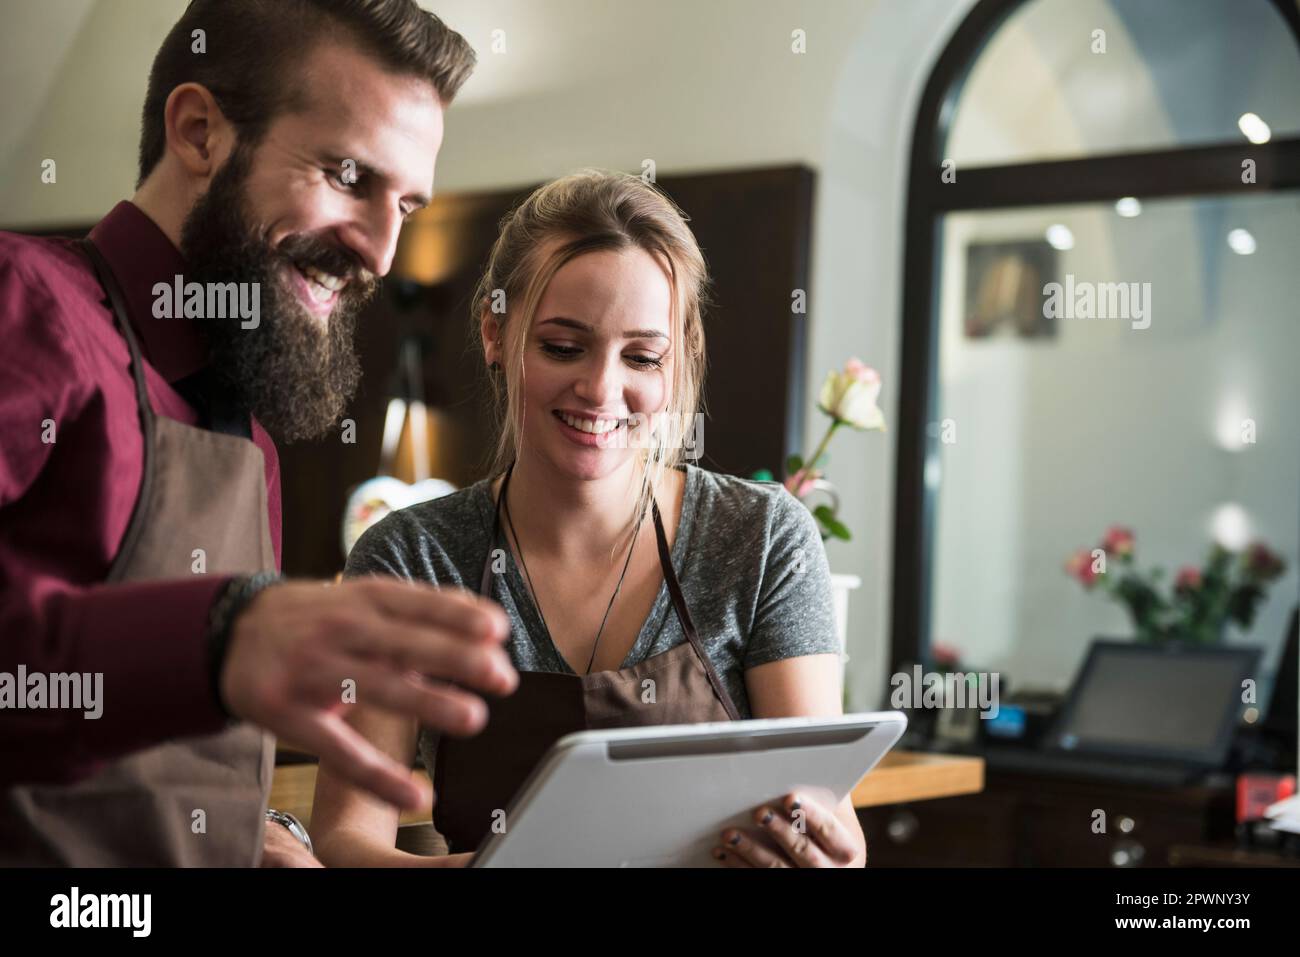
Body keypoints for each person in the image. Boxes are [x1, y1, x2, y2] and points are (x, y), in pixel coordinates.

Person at [0, 0, 518, 867]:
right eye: (350, 176)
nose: (384, 254)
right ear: (200, 131)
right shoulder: (25, 303)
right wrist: (213, 638)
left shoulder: (252, 447)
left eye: (409, 206)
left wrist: (261, 833)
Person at [311, 170, 868, 867]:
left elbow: (827, 817)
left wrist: (826, 855)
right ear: (495, 330)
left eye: (641, 356)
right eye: (563, 346)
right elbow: (344, 839)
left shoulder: (762, 539)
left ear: (681, 358)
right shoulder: (410, 556)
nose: (601, 389)